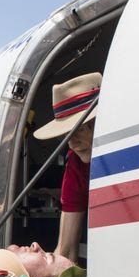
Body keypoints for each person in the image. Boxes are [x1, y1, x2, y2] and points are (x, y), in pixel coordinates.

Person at [33, 72, 100, 263]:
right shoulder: (76, 162)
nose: (72, 144)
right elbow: (66, 249)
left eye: (78, 130)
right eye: (65, 136)